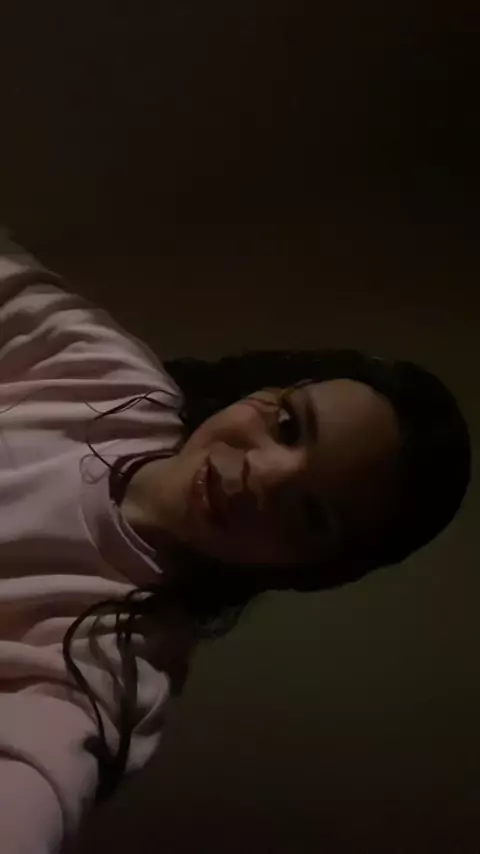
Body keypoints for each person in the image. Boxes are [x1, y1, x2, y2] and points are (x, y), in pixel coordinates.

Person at [0, 228, 471, 853]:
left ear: (303, 569)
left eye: (310, 515)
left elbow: (33, 780)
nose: (264, 476)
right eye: (287, 425)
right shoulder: (109, 378)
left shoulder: (117, 666)